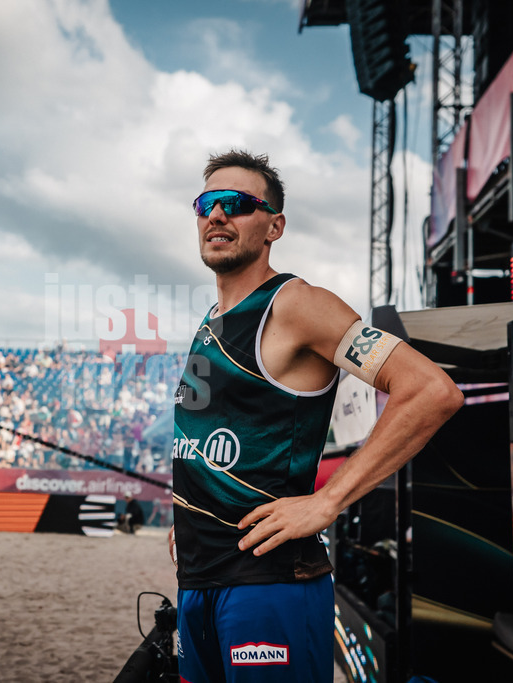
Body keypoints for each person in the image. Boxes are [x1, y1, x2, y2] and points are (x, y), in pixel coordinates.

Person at [168, 150, 463, 682]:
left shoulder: (296, 304)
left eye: (236, 204)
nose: (216, 215)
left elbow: (430, 390)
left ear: (274, 226)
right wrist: (189, 512)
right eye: (206, 203)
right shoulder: (213, 318)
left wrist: (328, 501)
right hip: (198, 577)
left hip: (266, 584)